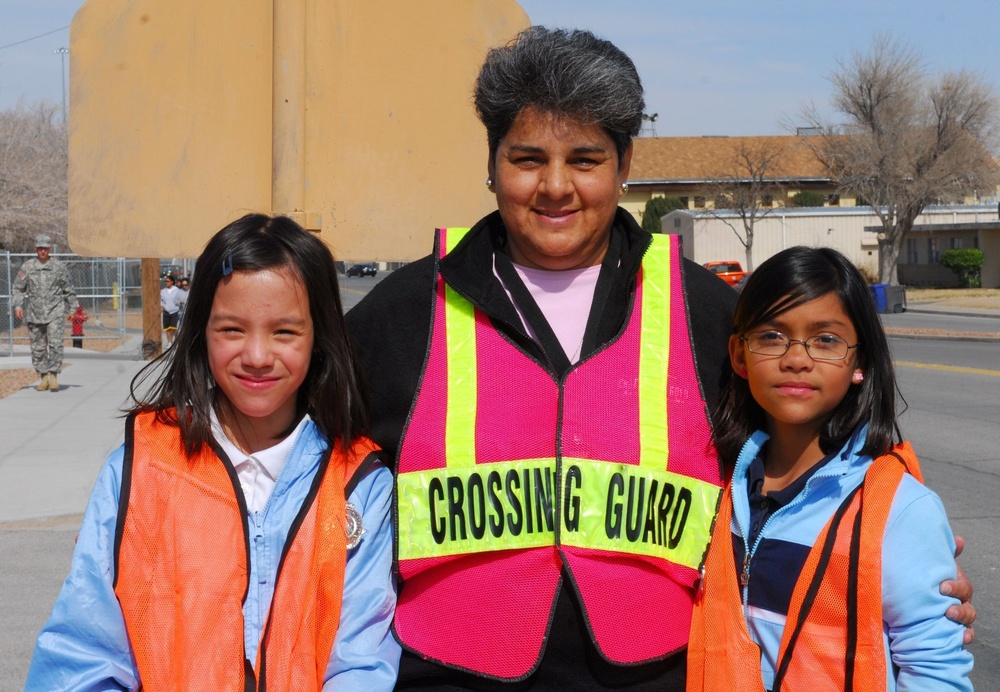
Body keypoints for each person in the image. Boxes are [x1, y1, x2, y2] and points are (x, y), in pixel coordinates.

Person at [345, 26, 976, 690]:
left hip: (662, 673)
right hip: (449, 673)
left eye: (585, 160)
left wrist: (895, 561)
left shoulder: (708, 312)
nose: (555, 186)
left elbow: (814, 448)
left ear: (624, 166)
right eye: (527, 158)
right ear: (491, 162)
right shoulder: (405, 310)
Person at [26, 214, 400, 691]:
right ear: (201, 331)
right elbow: (83, 656)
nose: (259, 355)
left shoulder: (360, 484)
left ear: (319, 338)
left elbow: (362, 664)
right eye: (232, 330)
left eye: (285, 332)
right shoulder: (141, 471)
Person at [688, 246, 972, 690]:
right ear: (739, 357)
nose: (797, 358)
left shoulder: (897, 508)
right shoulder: (715, 489)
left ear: (859, 362)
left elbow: (935, 669)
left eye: (826, 340)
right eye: (771, 336)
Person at [12, 234, 78, 391]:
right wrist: (18, 306)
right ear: (35, 249)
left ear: (50, 249)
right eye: (40, 248)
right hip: (35, 313)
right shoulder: (27, 267)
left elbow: (68, 289)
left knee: (55, 345)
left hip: (55, 311)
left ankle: (53, 375)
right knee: (38, 348)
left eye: (45, 248)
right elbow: (18, 288)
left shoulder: (58, 267)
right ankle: (43, 377)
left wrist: (73, 308)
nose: (43, 251)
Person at [160, 273, 182, 346]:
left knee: (173, 327)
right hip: (166, 311)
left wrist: (178, 303)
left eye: (168, 281)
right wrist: (162, 306)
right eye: (166, 281)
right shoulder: (163, 291)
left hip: (174, 311)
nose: (166, 283)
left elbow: (180, 299)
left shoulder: (177, 290)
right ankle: (169, 342)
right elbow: (161, 300)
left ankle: (178, 339)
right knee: (167, 328)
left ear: (172, 282)